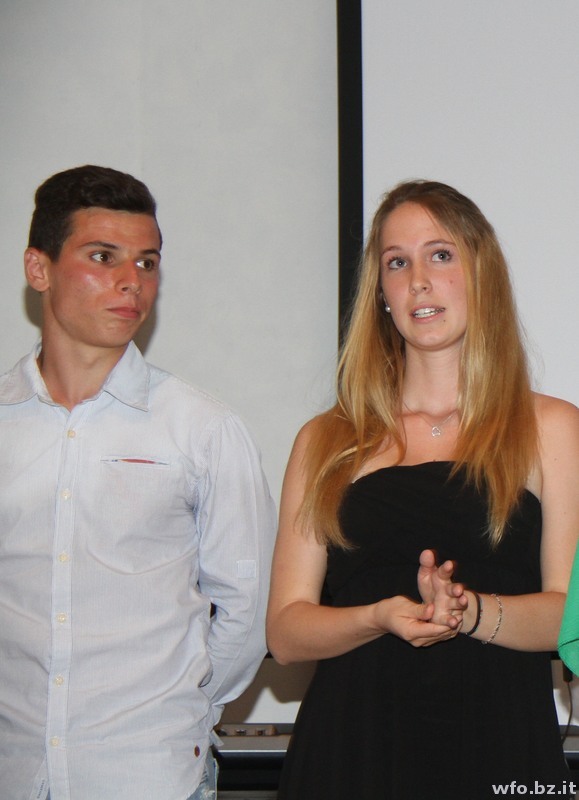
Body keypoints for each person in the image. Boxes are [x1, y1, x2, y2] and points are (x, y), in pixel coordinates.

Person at [266, 180, 579, 799]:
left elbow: (567, 614)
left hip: (498, 743)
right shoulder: (327, 439)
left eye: (440, 255)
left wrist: (467, 611)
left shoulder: (551, 427)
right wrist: (377, 617)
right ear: (380, 293)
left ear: (481, 275)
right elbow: (286, 631)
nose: (418, 281)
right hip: (350, 752)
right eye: (396, 262)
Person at [0, 165, 276, 800]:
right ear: (39, 269)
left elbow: (248, 608)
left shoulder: (203, 429)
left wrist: (180, 710)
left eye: (147, 262)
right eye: (104, 257)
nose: (132, 281)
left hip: (149, 775)